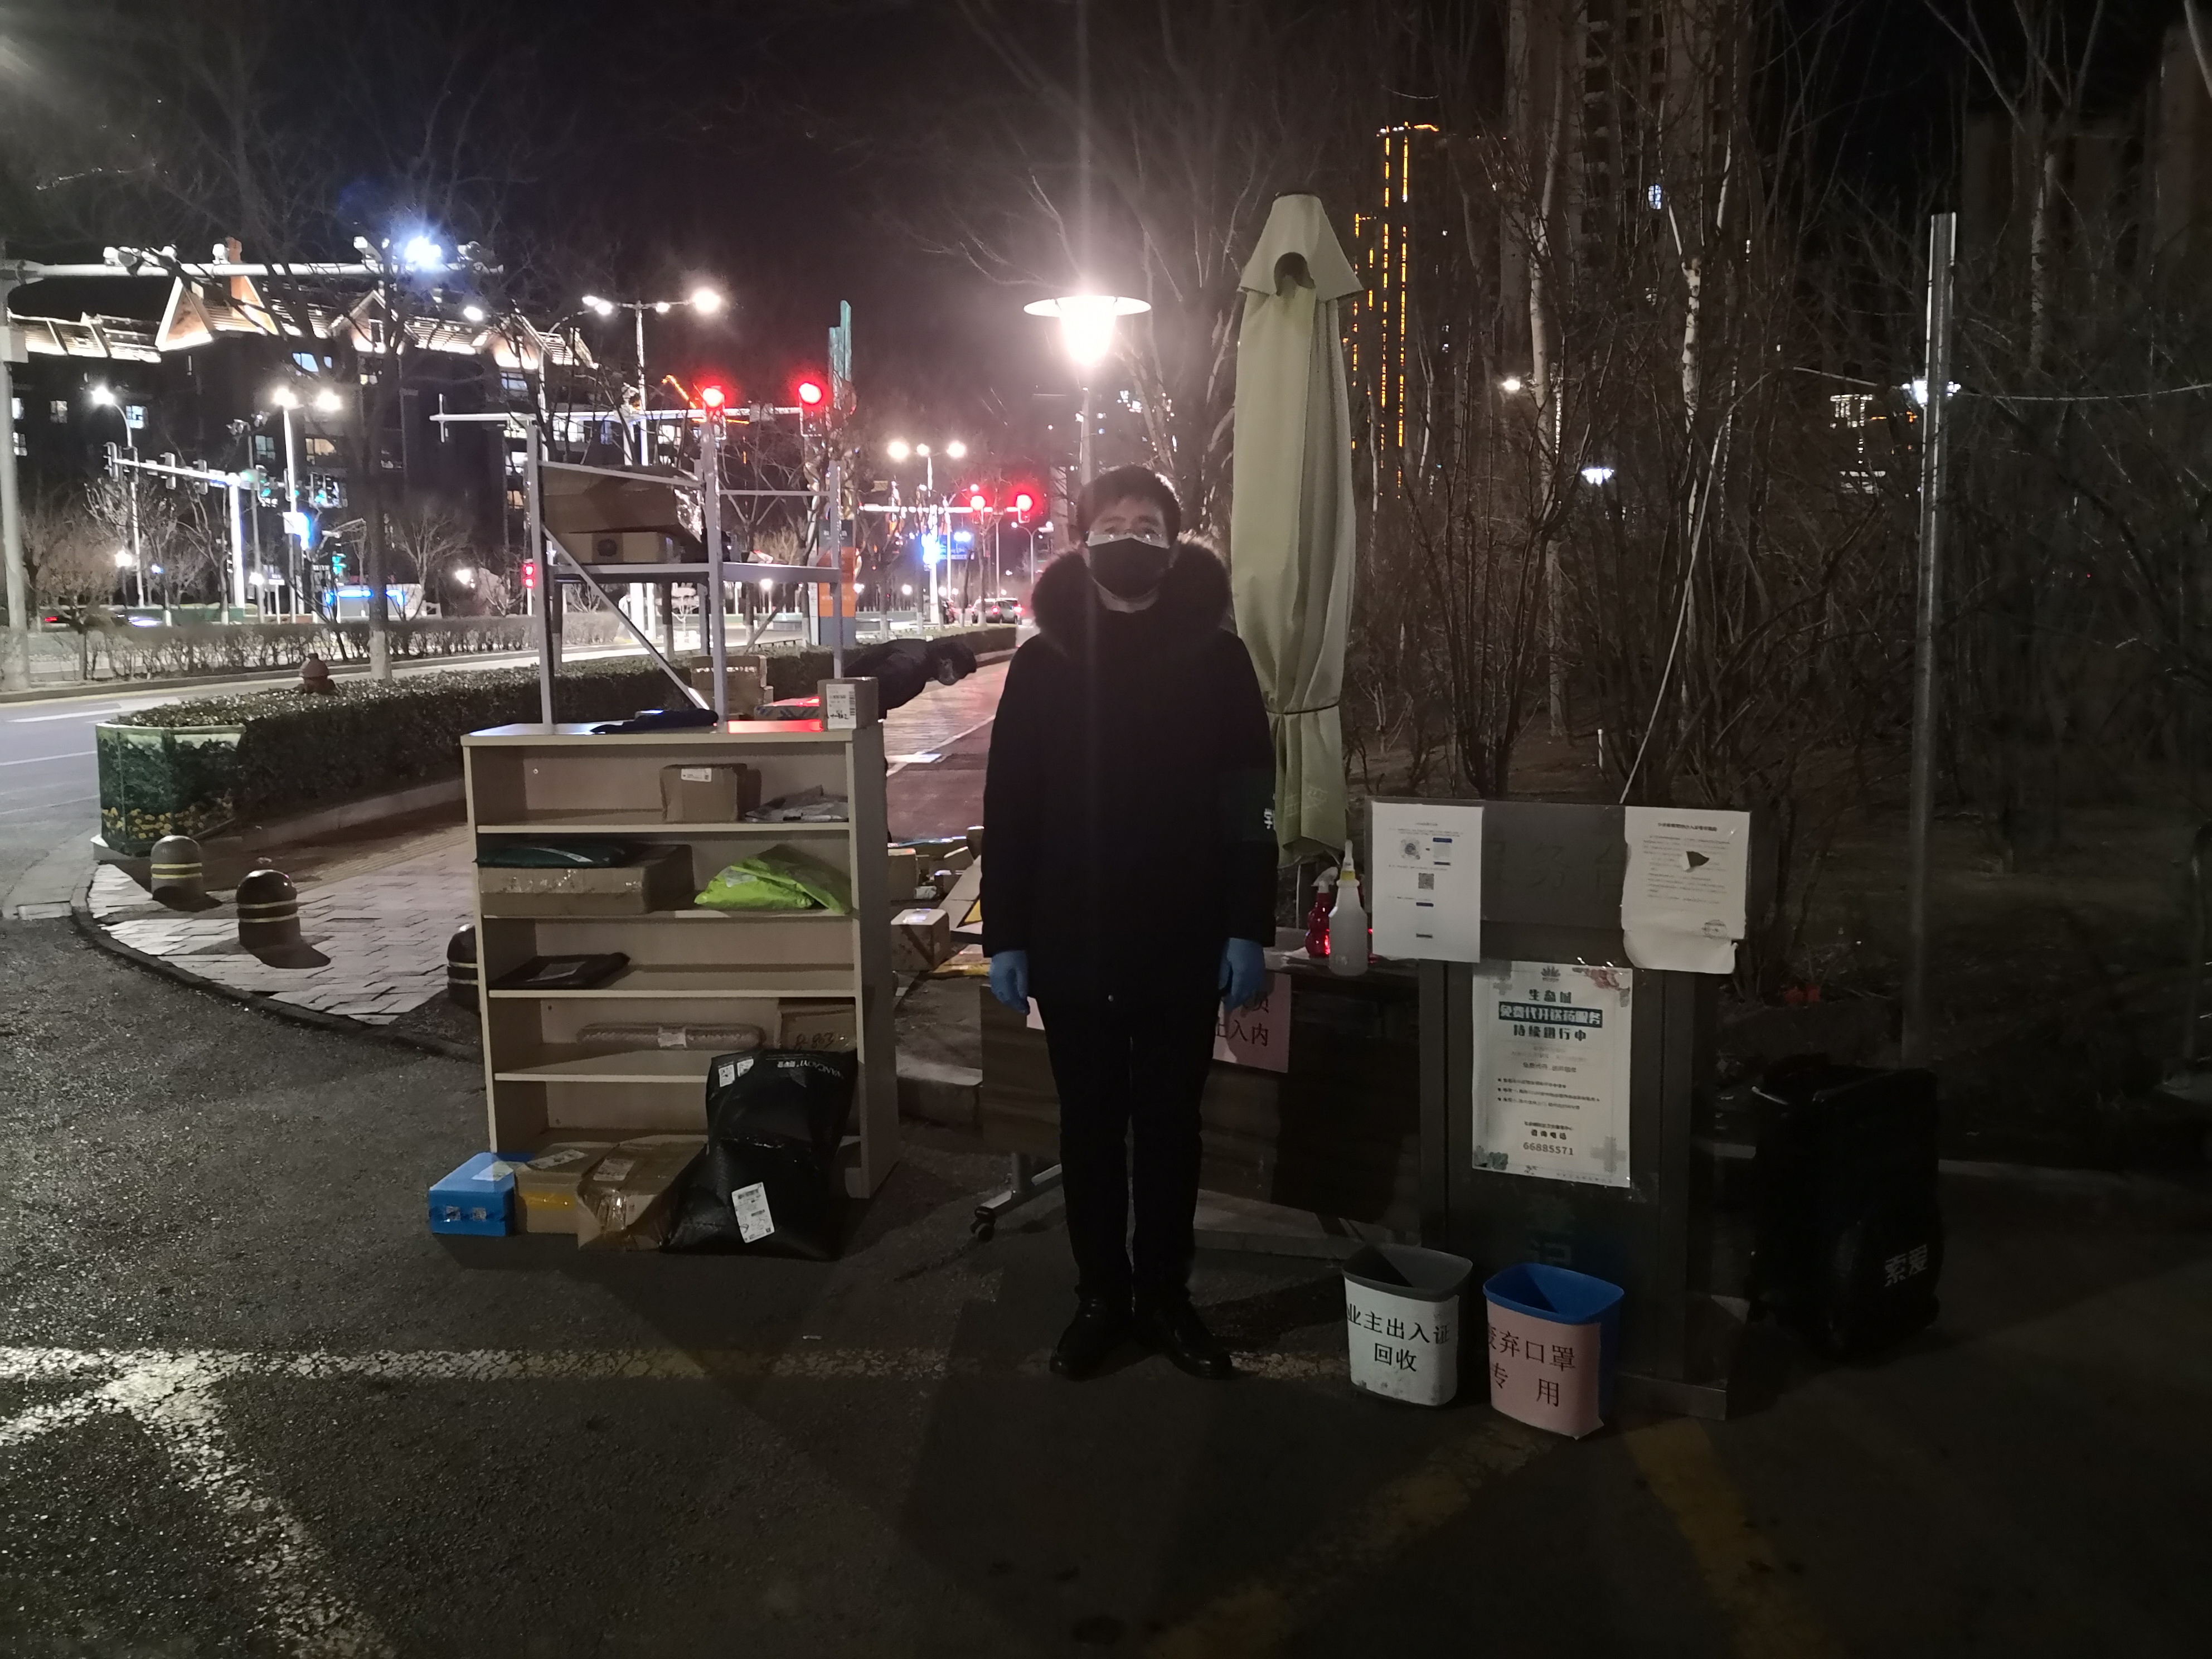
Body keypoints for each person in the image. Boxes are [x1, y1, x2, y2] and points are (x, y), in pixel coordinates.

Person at [981, 464, 1275, 1381]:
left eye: (1149, 526)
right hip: (1073, 938)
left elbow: (1250, 805)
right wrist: (1005, 935)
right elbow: (1010, 807)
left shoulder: (1219, 661)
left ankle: (1165, 1297)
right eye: (1113, 524)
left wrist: (1247, 925)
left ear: (1175, 545)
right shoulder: (1043, 664)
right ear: (1082, 541)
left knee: (1173, 1126)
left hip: (1186, 937)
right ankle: (1101, 1297)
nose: (1131, 539)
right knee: (1090, 1128)